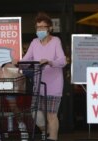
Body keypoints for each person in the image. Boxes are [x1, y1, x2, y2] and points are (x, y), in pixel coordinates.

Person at [21, 12, 66, 141]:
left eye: (42, 27)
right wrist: (16, 63)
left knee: (52, 115)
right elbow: (26, 60)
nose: (40, 30)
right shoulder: (34, 42)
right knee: (35, 113)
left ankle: (53, 138)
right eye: (38, 28)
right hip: (38, 85)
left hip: (54, 85)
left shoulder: (56, 41)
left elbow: (62, 60)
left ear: (50, 28)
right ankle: (45, 131)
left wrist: (50, 62)